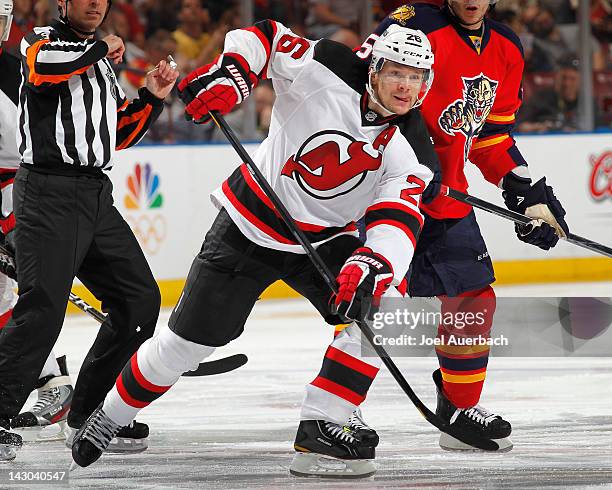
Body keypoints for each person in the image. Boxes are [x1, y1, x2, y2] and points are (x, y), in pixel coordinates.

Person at [70, 20, 437, 478]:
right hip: (249, 225)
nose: (406, 86)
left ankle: (324, 421)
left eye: (416, 76)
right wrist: (233, 74)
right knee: (186, 345)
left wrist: (371, 261)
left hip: (325, 240)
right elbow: (264, 36)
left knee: (382, 305)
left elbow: (398, 218)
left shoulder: (415, 149)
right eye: (397, 72)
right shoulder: (326, 65)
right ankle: (110, 416)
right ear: (375, 67)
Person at [353, 0, 570, 452]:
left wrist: (522, 190)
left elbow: (490, 135)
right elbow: (360, 100)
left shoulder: (507, 46)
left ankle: (458, 405)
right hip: (384, 192)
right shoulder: (414, 24)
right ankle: (339, 408)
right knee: (364, 301)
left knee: (472, 299)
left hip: (447, 196)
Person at [0, 0, 178, 461]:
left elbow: (115, 131)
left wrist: (152, 98)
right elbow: (44, 69)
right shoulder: (42, 40)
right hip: (47, 191)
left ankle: (89, 411)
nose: (95, 3)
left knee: (138, 301)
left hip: (96, 195)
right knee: (41, 312)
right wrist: (101, 48)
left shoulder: (100, 62)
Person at [0, 0, 74, 452]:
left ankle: (49, 378)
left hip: (20, 193)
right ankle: (50, 377)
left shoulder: (16, 69)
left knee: (16, 297)